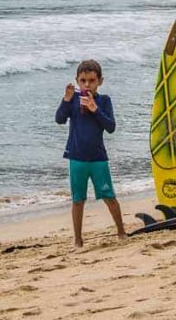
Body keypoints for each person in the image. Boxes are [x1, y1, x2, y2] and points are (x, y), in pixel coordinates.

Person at [55, 59, 126, 247]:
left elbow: (110, 127)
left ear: (100, 81)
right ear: (77, 81)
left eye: (92, 81)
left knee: (109, 196)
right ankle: (78, 240)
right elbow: (59, 119)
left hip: (98, 158)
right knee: (78, 200)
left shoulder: (104, 100)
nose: (87, 85)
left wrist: (95, 110)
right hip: (76, 157)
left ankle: (121, 232)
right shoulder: (73, 101)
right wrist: (66, 100)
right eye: (83, 81)